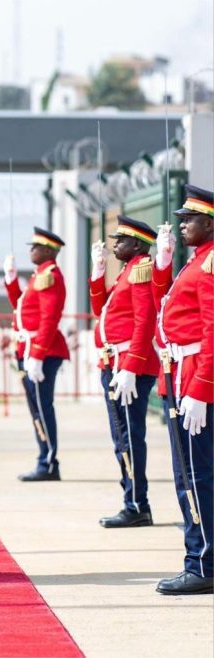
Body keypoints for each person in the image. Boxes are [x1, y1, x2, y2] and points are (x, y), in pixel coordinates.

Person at [151, 184, 213, 595]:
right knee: (193, 473)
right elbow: (167, 307)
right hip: (180, 372)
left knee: (193, 477)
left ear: (210, 222)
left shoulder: (210, 264)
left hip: (194, 375)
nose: (183, 224)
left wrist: (201, 388)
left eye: (189, 219)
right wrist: (163, 262)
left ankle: (201, 562)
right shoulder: (198, 261)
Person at [89, 216, 159, 528]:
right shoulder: (127, 272)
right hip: (115, 364)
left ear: (137, 244)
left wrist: (130, 366)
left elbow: (146, 320)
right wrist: (98, 270)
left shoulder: (141, 267)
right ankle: (132, 501)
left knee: (129, 438)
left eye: (121, 240)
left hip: (128, 366)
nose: (115, 244)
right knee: (122, 438)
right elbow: (98, 308)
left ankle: (136, 504)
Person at [3, 227, 69, 482]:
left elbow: (49, 318)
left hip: (42, 351)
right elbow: (23, 307)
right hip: (29, 349)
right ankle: (45, 458)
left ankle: (48, 461)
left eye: (36, 247)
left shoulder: (49, 275)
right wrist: (11, 279)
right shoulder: (38, 275)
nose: (31, 250)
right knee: (37, 409)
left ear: (49, 251)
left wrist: (38, 355)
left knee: (42, 408)